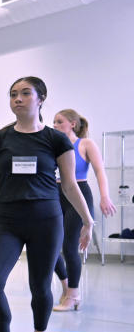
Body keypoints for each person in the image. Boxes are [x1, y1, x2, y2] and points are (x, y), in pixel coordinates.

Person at [0, 79, 95, 332]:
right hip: (8, 221)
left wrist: (87, 219)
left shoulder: (56, 140)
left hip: (46, 219)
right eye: (13, 94)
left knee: (40, 287)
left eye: (25, 93)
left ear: (41, 99)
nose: (18, 99)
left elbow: (69, 184)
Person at [51, 109, 116, 311]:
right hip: (56, 194)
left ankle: (74, 295)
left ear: (72, 123)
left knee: (69, 246)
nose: (54, 125)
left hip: (79, 195)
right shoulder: (54, 146)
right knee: (48, 247)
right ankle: (65, 286)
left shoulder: (85, 144)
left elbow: (99, 171)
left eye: (59, 121)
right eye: (53, 121)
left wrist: (105, 196)